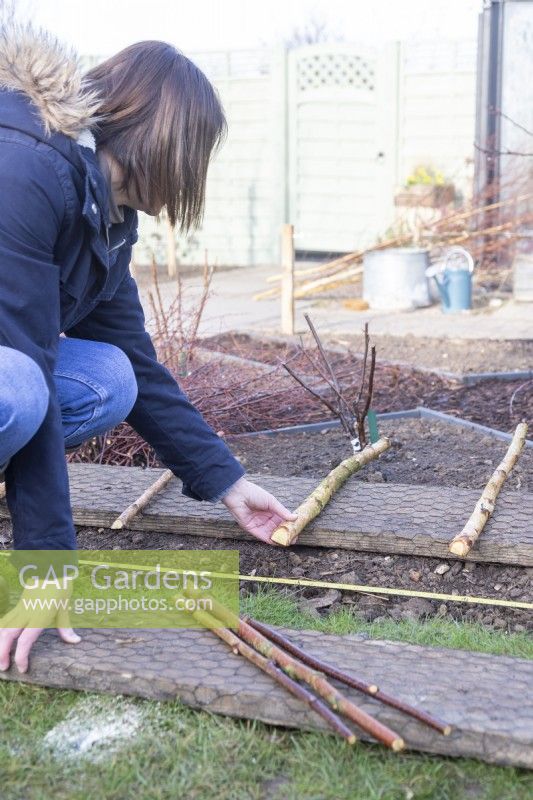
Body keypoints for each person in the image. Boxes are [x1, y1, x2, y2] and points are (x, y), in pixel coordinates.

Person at [0, 21, 296, 672]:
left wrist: (226, 480)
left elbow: (137, 362)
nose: (196, 174)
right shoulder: (23, 170)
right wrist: (46, 566)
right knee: (21, 388)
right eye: (198, 153)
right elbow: (29, 363)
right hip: (8, 368)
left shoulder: (106, 217)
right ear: (169, 142)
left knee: (110, 377)